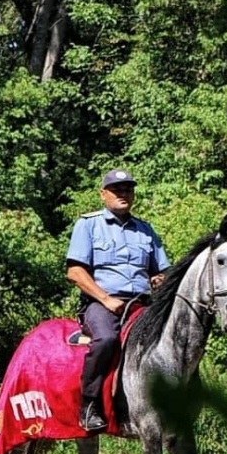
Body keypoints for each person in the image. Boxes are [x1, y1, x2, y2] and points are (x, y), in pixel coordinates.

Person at [65, 169, 170, 432]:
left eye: (128, 190)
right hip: (101, 304)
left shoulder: (145, 230)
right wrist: (105, 298)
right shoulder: (88, 225)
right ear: (103, 194)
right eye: (117, 190)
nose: (124, 194)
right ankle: (89, 406)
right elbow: (75, 272)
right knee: (107, 340)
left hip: (142, 305)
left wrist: (159, 279)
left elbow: (161, 271)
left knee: (172, 340)